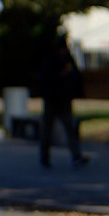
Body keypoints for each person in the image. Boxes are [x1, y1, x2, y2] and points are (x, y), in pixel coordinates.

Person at [38, 37, 89, 169]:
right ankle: (45, 157)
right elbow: (46, 79)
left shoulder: (67, 60)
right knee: (48, 130)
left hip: (64, 99)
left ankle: (76, 155)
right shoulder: (51, 61)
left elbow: (76, 76)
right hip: (52, 99)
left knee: (70, 128)